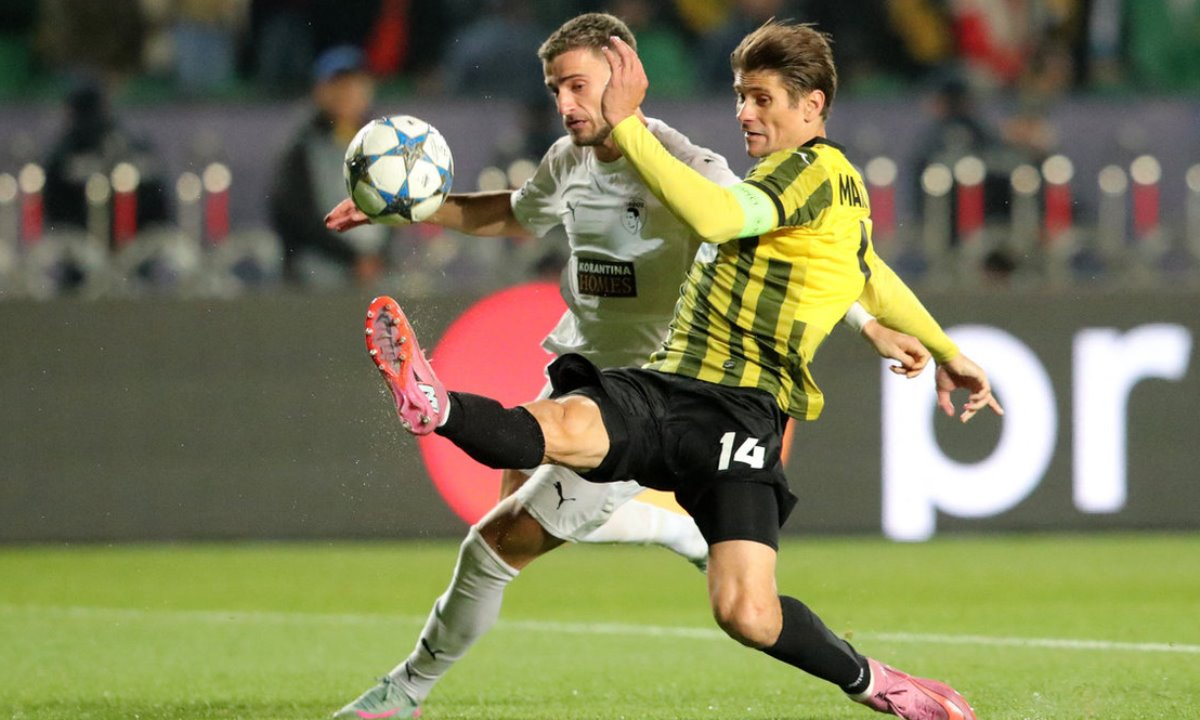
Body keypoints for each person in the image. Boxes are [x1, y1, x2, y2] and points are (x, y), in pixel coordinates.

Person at [364, 19, 1003, 720]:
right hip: (621, 375)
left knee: (511, 545)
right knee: (524, 488)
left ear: (623, 81)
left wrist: (872, 325)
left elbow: (749, 227)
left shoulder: (702, 168)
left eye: (578, 86)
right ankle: (469, 423)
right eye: (555, 89)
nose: (566, 104)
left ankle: (405, 689)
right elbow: (518, 214)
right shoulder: (574, 159)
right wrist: (410, 206)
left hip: (693, 387)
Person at [270, 45, 389, 289]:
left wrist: (377, 258)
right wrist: (354, 259)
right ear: (320, 91)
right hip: (316, 276)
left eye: (354, 84)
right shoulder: (301, 148)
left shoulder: (382, 144)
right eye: (337, 85)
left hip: (375, 275)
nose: (346, 93)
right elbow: (299, 217)